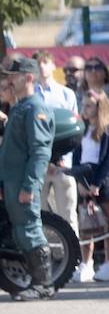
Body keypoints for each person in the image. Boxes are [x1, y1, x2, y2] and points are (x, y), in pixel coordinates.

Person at [0, 57, 56, 300]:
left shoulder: (35, 109)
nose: (10, 80)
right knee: (21, 232)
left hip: (23, 184)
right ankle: (36, 282)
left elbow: (40, 152)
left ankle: (44, 284)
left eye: (14, 76)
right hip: (13, 183)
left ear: (29, 77)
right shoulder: (20, 107)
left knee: (30, 229)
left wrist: (30, 185)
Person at [70, 89, 109, 282]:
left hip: (105, 180)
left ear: (99, 107)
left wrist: (96, 183)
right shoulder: (82, 129)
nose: (85, 108)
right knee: (86, 223)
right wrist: (80, 181)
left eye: (89, 105)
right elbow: (76, 156)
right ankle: (86, 263)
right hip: (84, 177)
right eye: (83, 105)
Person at [34, 50, 79, 241]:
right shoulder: (30, 95)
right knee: (39, 215)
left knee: (68, 213)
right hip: (38, 165)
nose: (42, 66)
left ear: (53, 65)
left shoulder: (66, 94)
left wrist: (62, 161)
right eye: (38, 63)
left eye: (45, 62)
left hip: (63, 166)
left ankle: (75, 257)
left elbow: (74, 131)